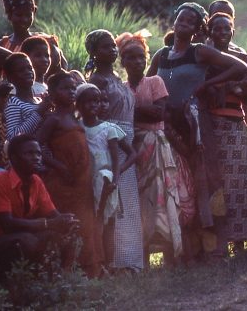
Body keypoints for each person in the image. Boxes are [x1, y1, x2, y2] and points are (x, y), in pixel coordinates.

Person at [147, 3, 247, 259]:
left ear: (197, 29)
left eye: (191, 21)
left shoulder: (199, 52)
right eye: (181, 18)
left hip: (196, 125)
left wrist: (205, 86)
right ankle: (182, 248)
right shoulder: (161, 55)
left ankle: (214, 248)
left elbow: (240, 67)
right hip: (169, 127)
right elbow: (148, 83)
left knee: (205, 181)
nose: (184, 23)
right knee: (176, 182)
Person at [118, 31, 193, 268]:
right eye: (131, 58)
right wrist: (143, 111)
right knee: (139, 200)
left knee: (163, 198)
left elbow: (159, 113)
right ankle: (144, 260)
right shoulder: (121, 88)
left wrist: (130, 112)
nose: (137, 62)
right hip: (133, 150)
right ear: (123, 62)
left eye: (141, 57)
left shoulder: (155, 82)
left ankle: (172, 257)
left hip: (156, 148)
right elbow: (143, 114)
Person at [205, 13, 247, 251]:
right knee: (220, 184)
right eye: (216, 29)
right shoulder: (204, 58)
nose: (221, 33)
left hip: (235, 124)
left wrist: (231, 86)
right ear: (209, 32)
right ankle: (225, 241)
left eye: (226, 29)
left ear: (233, 31)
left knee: (244, 182)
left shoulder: (240, 56)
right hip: (211, 124)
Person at [85, 29, 144, 272]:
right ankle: (116, 261)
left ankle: (130, 259)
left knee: (128, 201)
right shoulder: (97, 81)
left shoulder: (118, 78)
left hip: (126, 137)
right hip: (112, 142)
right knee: (115, 202)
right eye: (104, 47)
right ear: (93, 53)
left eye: (112, 46)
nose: (111, 50)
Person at [35, 71, 103, 277]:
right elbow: (37, 145)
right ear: (53, 93)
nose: (71, 92)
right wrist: (57, 166)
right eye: (65, 88)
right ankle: (63, 271)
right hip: (62, 182)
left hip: (81, 182)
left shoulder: (76, 118)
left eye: (73, 88)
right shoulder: (53, 120)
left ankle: (87, 270)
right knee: (67, 224)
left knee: (85, 224)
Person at [0, 134, 79, 278]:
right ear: (14, 158)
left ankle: (59, 282)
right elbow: (7, 225)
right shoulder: (0, 181)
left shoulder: (36, 181)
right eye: (29, 153)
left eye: (39, 154)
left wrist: (67, 221)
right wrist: (49, 224)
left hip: (19, 237)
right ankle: (14, 284)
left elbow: (53, 215)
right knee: (27, 240)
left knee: (64, 236)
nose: (36, 158)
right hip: (2, 238)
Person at [76, 84, 136, 269]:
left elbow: (129, 155)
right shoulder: (77, 128)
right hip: (86, 182)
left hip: (106, 181)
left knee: (107, 223)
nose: (94, 105)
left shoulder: (109, 128)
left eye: (97, 100)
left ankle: (108, 264)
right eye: (88, 101)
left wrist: (115, 178)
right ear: (78, 104)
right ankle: (94, 262)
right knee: (91, 222)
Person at [0, 0, 67, 77]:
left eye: (28, 15)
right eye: (19, 15)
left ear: (34, 12)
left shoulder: (45, 43)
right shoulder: (2, 45)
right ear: (9, 15)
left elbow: (61, 72)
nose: (24, 19)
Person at [2, 53, 50, 140]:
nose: (28, 72)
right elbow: (12, 137)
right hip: (30, 152)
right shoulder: (14, 103)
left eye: (30, 68)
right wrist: (39, 112)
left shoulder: (39, 100)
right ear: (10, 77)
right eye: (21, 70)